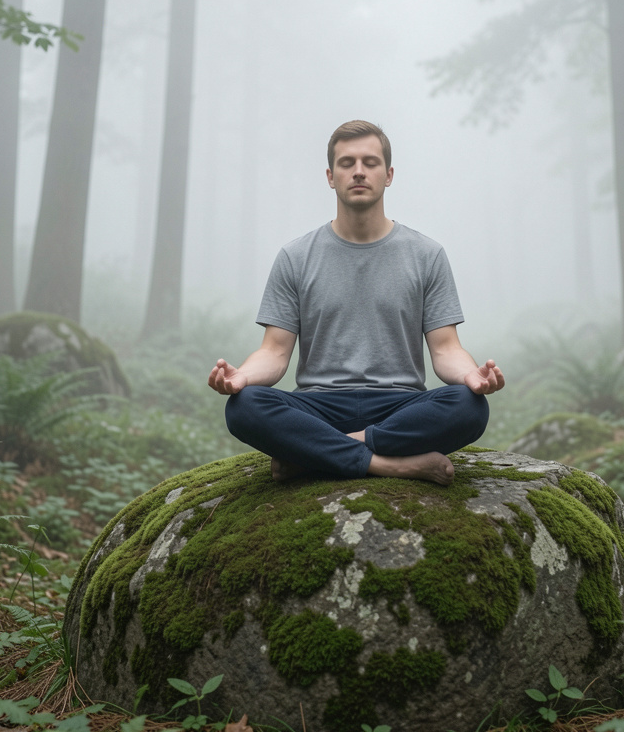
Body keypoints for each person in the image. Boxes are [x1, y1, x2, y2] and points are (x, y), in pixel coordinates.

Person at [207, 120, 505, 485]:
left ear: (388, 174)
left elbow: (445, 349)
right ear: (331, 177)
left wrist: (471, 375)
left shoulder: (427, 255)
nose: (359, 171)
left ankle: (316, 456)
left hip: (399, 406)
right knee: (244, 407)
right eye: (347, 163)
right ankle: (392, 465)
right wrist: (242, 377)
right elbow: (274, 352)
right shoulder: (295, 257)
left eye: (370, 162)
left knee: (469, 406)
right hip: (319, 408)